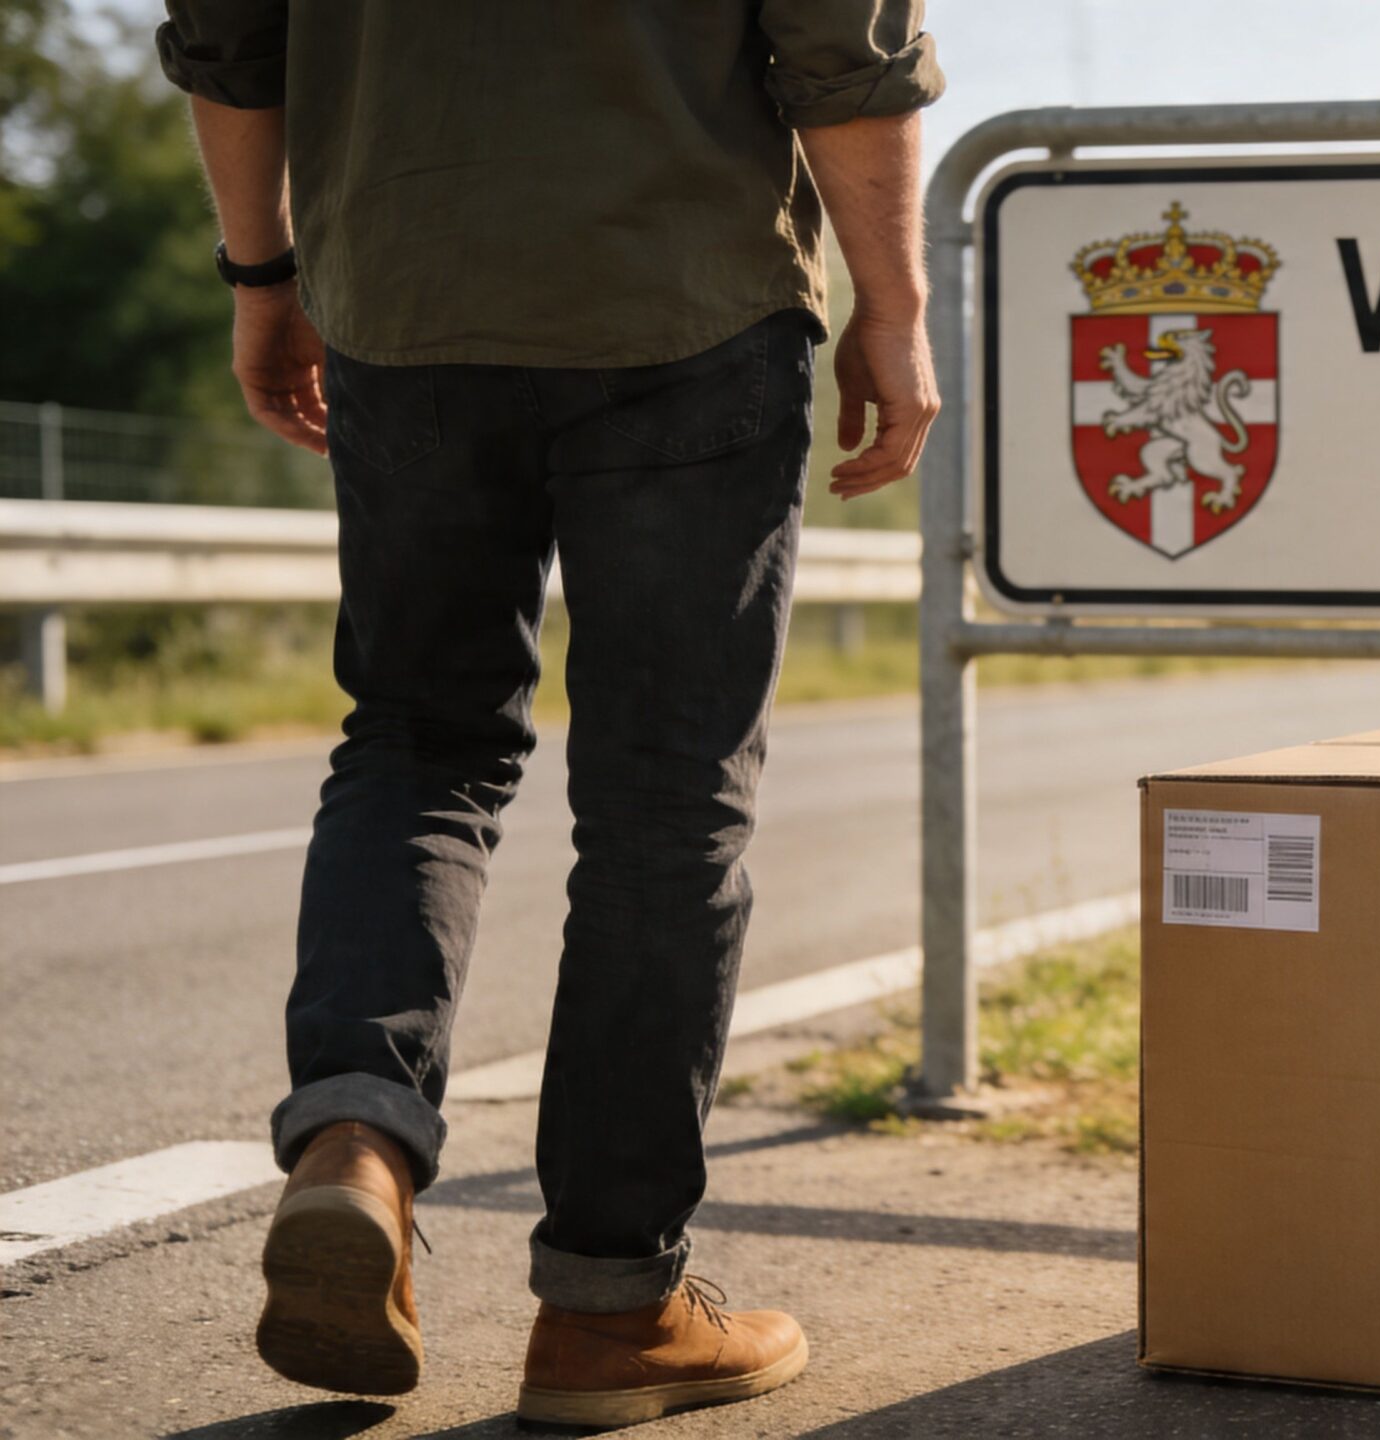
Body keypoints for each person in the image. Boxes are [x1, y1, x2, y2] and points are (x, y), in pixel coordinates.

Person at [155, 1, 943, 1424]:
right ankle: (609, 1307)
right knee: (666, 797)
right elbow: (849, 44)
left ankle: (356, 1136)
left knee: (418, 740)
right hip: (686, 300)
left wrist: (262, 271)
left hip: (404, 294)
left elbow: (225, 30)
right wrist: (893, 304)